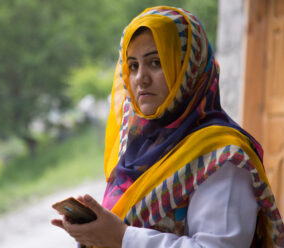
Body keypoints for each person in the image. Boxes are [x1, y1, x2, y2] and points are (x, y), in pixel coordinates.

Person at [51, 6, 284, 248]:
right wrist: (93, 233)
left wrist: (121, 237)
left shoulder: (222, 156)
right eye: (132, 66)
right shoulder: (137, 146)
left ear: (189, 68)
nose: (141, 77)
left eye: (155, 62)